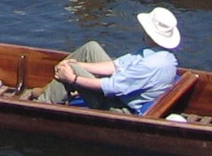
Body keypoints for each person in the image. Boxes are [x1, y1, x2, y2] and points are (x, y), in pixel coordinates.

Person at [40, 8, 182, 112]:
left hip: (120, 108)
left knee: (71, 70)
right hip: (118, 92)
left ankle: (42, 105)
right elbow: (115, 66)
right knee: (91, 48)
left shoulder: (152, 65)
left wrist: (73, 78)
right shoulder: (156, 53)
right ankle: (53, 92)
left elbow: (111, 86)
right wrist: (78, 63)